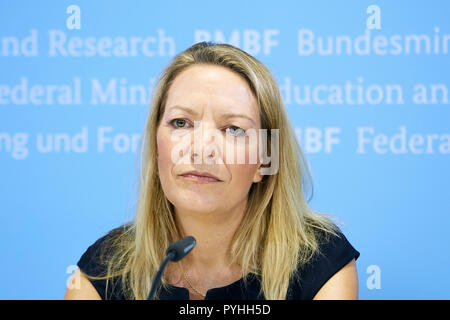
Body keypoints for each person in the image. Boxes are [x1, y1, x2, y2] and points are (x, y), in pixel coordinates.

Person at [64, 42, 360, 300]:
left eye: (233, 128)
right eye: (181, 123)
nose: (201, 148)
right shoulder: (103, 272)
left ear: (264, 159)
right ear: (157, 146)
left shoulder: (320, 262)